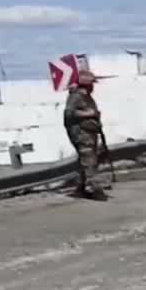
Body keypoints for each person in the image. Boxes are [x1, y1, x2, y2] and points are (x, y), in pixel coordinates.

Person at [64, 70, 108, 200]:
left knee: (86, 161)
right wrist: (90, 114)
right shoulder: (76, 96)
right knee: (89, 161)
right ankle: (96, 189)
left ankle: (80, 188)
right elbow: (69, 114)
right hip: (82, 134)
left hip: (90, 133)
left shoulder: (86, 96)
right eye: (91, 84)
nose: (93, 86)